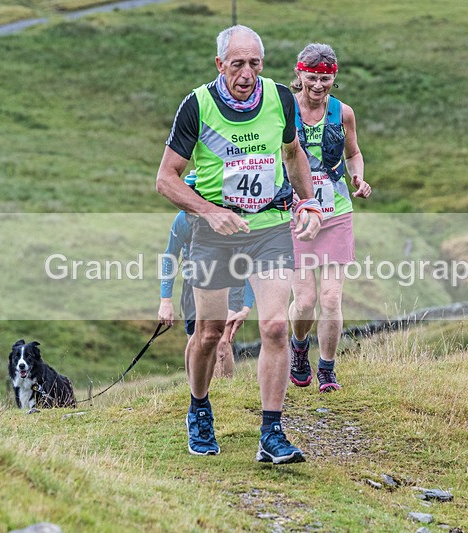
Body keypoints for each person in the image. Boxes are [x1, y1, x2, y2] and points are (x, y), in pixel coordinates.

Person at [155, 25, 322, 464]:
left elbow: (292, 154)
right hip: (214, 232)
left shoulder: (281, 98)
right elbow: (165, 179)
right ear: (219, 65)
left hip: (269, 226)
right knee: (209, 333)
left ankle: (271, 433)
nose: (246, 74)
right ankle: (199, 408)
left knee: (274, 327)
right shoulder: (197, 106)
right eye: (237, 64)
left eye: (254, 64)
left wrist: (309, 203)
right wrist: (208, 212)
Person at [287, 43, 371, 392]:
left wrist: (358, 176)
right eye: (312, 77)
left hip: (336, 214)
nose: (318, 86)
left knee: (332, 299)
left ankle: (327, 368)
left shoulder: (343, 113)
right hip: (297, 215)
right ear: (300, 74)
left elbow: (354, 152)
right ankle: (299, 347)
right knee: (305, 300)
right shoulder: (285, 110)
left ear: (333, 77)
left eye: (325, 79)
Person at [158, 201, 255, 378]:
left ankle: (224, 392)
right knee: (198, 341)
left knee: (222, 341)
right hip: (194, 286)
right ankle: (198, 396)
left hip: (231, 283)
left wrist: (247, 303)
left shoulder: (234, 216)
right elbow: (170, 256)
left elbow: (248, 261)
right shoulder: (184, 219)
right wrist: (165, 300)